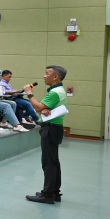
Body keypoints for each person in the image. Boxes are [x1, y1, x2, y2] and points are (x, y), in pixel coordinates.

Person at [23, 66, 68, 204]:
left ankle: (47, 195)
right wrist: (43, 109)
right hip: (55, 128)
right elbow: (42, 108)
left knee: (48, 163)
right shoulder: (59, 90)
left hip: (50, 129)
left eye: (47, 73)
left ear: (55, 77)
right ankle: (54, 192)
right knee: (54, 161)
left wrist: (29, 93)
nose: (44, 76)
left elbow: (37, 106)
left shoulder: (54, 92)